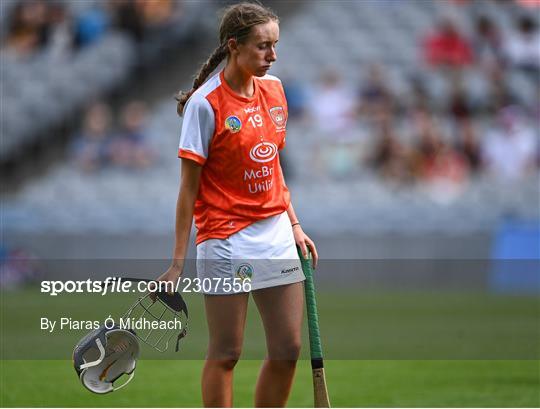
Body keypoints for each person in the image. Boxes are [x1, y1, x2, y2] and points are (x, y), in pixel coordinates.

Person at [155, 3, 318, 407]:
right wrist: (178, 263)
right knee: (227, 353)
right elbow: (187, 191)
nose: (272, 55)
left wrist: (294, 224)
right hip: (225, 239)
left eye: (275, 45)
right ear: (234, 45)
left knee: (287, 349)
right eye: (263, 46)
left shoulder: (275, 91)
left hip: (276, 233)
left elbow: (272, 163)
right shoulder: (204, 105)